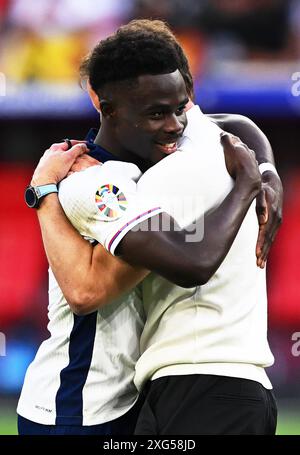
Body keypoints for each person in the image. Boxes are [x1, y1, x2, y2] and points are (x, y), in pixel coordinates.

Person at [18, 20, 282, 435]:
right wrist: (43, 195)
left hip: (135, 403)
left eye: (181, 107)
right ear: (106, 107)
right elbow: (87, 292)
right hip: (78, 403)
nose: (177, 124)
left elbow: (234, 122)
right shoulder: (95, 181)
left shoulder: (164, 150)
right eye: (159, 113)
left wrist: (268, 172)